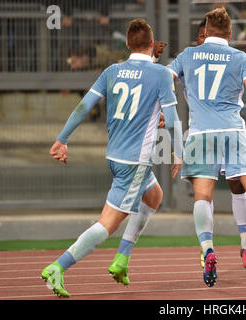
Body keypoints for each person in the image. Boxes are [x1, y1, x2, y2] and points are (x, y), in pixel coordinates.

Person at [41, 18, 183, 298]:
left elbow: (84, 106)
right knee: (107, 224)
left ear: (128, 44)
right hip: (135, 163)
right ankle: (58, 267)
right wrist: (178, 151)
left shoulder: (113, 71)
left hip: (116, 156)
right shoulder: (161, 75)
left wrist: (62, 139)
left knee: (154, 197)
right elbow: (175, 119)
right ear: (152, 45)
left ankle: (122, 260)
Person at [168, 7, 246, 287]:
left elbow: (165, 79)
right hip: (233, 133)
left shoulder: (187, 55)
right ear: (231, 33)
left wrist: (162, 110)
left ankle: (208, 250)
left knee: (202, 198)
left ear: (206, 32)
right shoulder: (239, 58)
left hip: (200, 134)